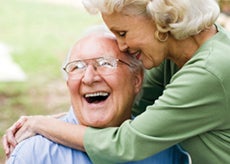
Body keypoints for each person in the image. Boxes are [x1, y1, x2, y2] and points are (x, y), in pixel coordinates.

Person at [3, 0, 230, 163]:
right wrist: (60, 121)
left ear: (159, 20)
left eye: (122, 33)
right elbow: (135, 109)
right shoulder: (179, 54)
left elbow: (126, 144)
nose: (121, 47)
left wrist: (41, 124)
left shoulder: (210, 71)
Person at [3, 27, 190, 164]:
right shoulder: (34, 154)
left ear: (137, 80)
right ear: (68, 83)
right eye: (77, 67)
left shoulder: (164, 150)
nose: (89, 78)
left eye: (105, 63)